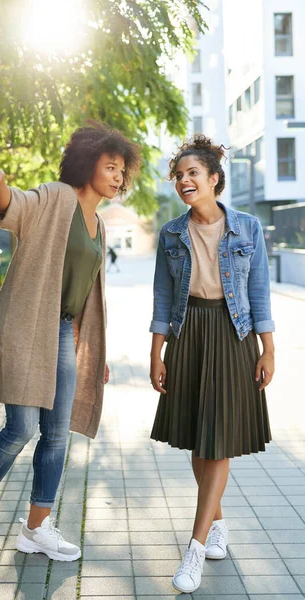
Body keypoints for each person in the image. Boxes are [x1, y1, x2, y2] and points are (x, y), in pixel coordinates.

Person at [0, 122, 141, 564]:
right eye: (109, 166)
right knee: (21, 428)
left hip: (62, 332)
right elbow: (16, 207)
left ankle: (37, 527)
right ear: (86, 162)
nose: (117, 176)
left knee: (56, 434)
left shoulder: (99, 226)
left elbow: (86, 297)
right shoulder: (57, 197)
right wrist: (0, 185)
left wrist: (95, 355)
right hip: (25, 325)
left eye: (122, 170)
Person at [149, 135, 275, 594]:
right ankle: (218, 524)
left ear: (214, 179)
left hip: (232, 332)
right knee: (199, 442)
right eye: (179, 175)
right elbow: (163, 295)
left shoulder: (247, 227)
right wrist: (156, 351)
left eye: (193, 173)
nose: (184, 180)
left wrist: (269, 348)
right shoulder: (171, 233)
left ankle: (196, 546)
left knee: (217, 441)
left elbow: (258, 289)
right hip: (188, 334)